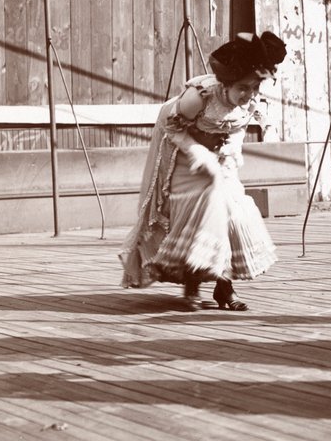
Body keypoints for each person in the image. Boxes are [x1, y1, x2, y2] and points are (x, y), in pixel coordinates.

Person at [120, 31, 288, 311]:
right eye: (243, 88)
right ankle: (192, 286)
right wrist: (199, 154)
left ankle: (224, 287)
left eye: (254, 88)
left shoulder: (250, 102)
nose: (248, 95)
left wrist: (227, 158)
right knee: (201, 211)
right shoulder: (200, 96)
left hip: (219, 155)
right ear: (227, 83)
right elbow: (172, 127)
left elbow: (237, 130)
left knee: (233, 209)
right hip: (183, 153)